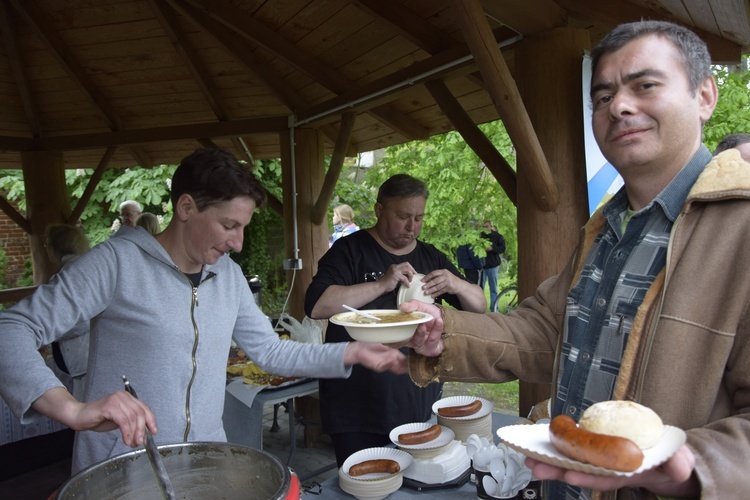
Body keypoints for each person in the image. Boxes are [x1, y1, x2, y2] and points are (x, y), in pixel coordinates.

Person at [402, 20, 750, 499]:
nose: (620, 107)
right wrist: (445, 332)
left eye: (645, 85)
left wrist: (694, 467)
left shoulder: (743, 225)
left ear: (705, 96)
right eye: (603, 98)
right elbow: (547, 331)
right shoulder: (606, 225)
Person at [0, 148, 407, 475]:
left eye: (244, 227)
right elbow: (11, 328)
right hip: (120, 468)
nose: (239, 243)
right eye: (230, 225)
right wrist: (72, 409)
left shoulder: (227, 276)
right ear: (187, 207)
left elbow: (270, 352)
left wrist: (351, 352)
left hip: (202, 465)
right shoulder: (116, 263)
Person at [305, 173, 487, 466]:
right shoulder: (349, 250)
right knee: (365, 487)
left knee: (413, 485)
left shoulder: (431, 257)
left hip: (415, 397)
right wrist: (381, 284)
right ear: (379, 210)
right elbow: (316, 306)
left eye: (418, 217)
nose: (411, 226)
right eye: (403, 216)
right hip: (355, 402)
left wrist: (457, 284)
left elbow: (479, 307)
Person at [44, 224, 91, 401]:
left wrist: (51, 332)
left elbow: (83, 320)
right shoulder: (84, 267)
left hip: (85, 356)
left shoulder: (66, 276)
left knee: (89, 412)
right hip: (87, 355)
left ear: (53, 248)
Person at [480, 220, 506, 312]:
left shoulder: (497, 236)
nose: (485, 228)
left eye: (486, 226)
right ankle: (479, 309)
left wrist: (492, 248)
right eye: (483, 226)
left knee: (493, 289)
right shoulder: (480, 236)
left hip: (493, 266)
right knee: (479, 289)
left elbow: (503, 248)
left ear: (491, 226)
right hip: (482, 267)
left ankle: (494, 309)